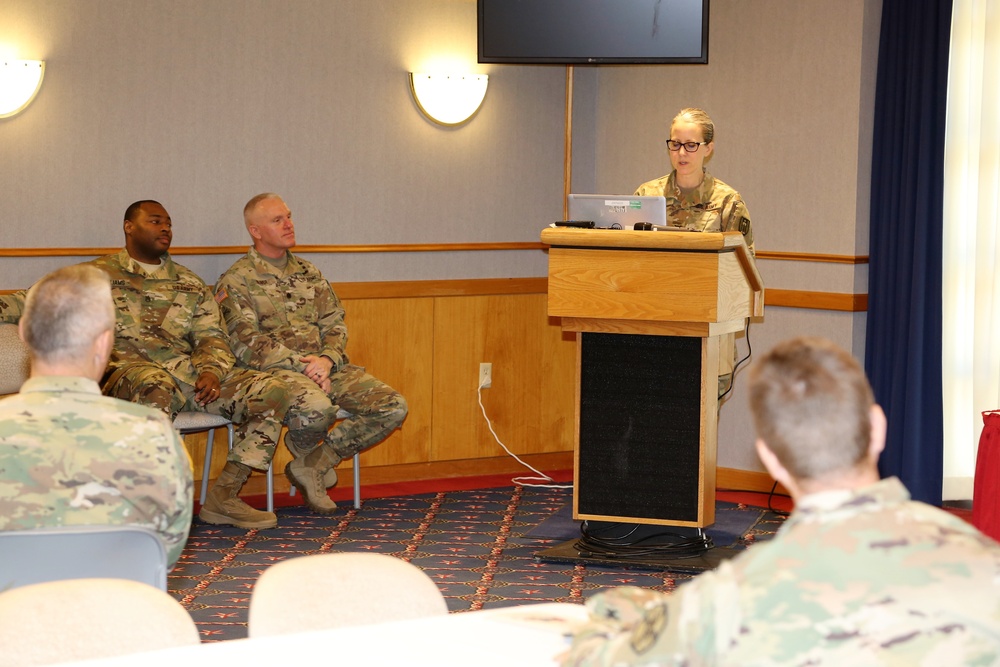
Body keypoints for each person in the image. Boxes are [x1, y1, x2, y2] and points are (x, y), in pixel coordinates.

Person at [561, 337, 1000, 666]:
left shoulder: (728, 601)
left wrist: (616, 607)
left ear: (770, 457)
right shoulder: (987, 563)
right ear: (878, 427)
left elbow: (601, 659)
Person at [0, 201, 291, 530]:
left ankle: (224, 496)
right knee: (156, 384)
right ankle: (146, 501)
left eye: (168, 223)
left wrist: (211, 369)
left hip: (188, 375)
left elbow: (213, 336)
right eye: (155, 222)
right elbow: (31, 301)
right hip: (124, 373)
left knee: (272, 390)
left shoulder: (188, 283)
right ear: (129, 226)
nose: (165, 229)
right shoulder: (94, 276)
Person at [215, 193, 408, 514]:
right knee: (318, 409)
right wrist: (304, 367)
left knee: (392, 406)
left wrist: (327, 360)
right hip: (277, 374)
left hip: (325, 367)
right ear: (256, 231)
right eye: (278, 220)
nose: (289, 224)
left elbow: (335, 322)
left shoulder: (309, 272)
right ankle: (307, 448)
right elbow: (244, 343)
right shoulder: (238, 280)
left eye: (289, 216)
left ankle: (315, 462)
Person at [0, 265, 193, 567]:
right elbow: (162, 554)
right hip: (113, 606)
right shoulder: (155, 435)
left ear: (24, 332)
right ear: (105, 342)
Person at [635, 107, 754, 396]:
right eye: (675, 144)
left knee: (699, 425)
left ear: (708, 149)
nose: (681, 153)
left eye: (691, 145)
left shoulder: (727, 201)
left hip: (708, 329)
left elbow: (745, 270)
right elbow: (632, 261)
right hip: (654, 328)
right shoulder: (647, 196)